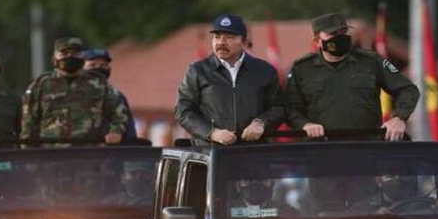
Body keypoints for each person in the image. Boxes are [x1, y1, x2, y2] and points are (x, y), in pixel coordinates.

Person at [284, 13, 420, 141]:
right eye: (333, 34)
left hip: (365, 148)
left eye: (343, 32)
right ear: (317, 41)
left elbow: (408, 90)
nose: (340, 37)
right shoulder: (302, 68)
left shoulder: (371, 62)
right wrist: (305, 125)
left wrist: (399, 118)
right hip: (321, 149)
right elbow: (290, 108)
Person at [175, 14, 285, 146]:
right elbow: (183, 111)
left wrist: (261, 123)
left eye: (229, 37)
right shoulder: (198, 71)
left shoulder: (265, 71)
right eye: (217, 37)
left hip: (254, 152)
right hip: (210, 154)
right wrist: (212, 133)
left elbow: (279, 107)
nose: (221, 42)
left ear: (244, 42)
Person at [20, 37, 127, 144]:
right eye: (64, 54)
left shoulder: (99, 83)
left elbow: (119, 113)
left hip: (89, 152)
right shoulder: (41, 85)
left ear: (83, 57)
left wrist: (116, 131)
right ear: (54, 59)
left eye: (75, 53)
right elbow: (28, 121)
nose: (70, 57)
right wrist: (29, 152)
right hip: (51, 153)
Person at [83, 48, 138, 144]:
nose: (98, 68)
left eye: (103, 65)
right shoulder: (68, 94)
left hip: (107, 153)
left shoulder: (117, 97)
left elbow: (129, 132)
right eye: (92, 65)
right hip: (74, 152)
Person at [350, 174, 438, 215]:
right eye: (391, 176)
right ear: (379, 181)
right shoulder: (361, 208)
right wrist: (375, 217)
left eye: (402, 175)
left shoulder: (424, 204)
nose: (398, 179)